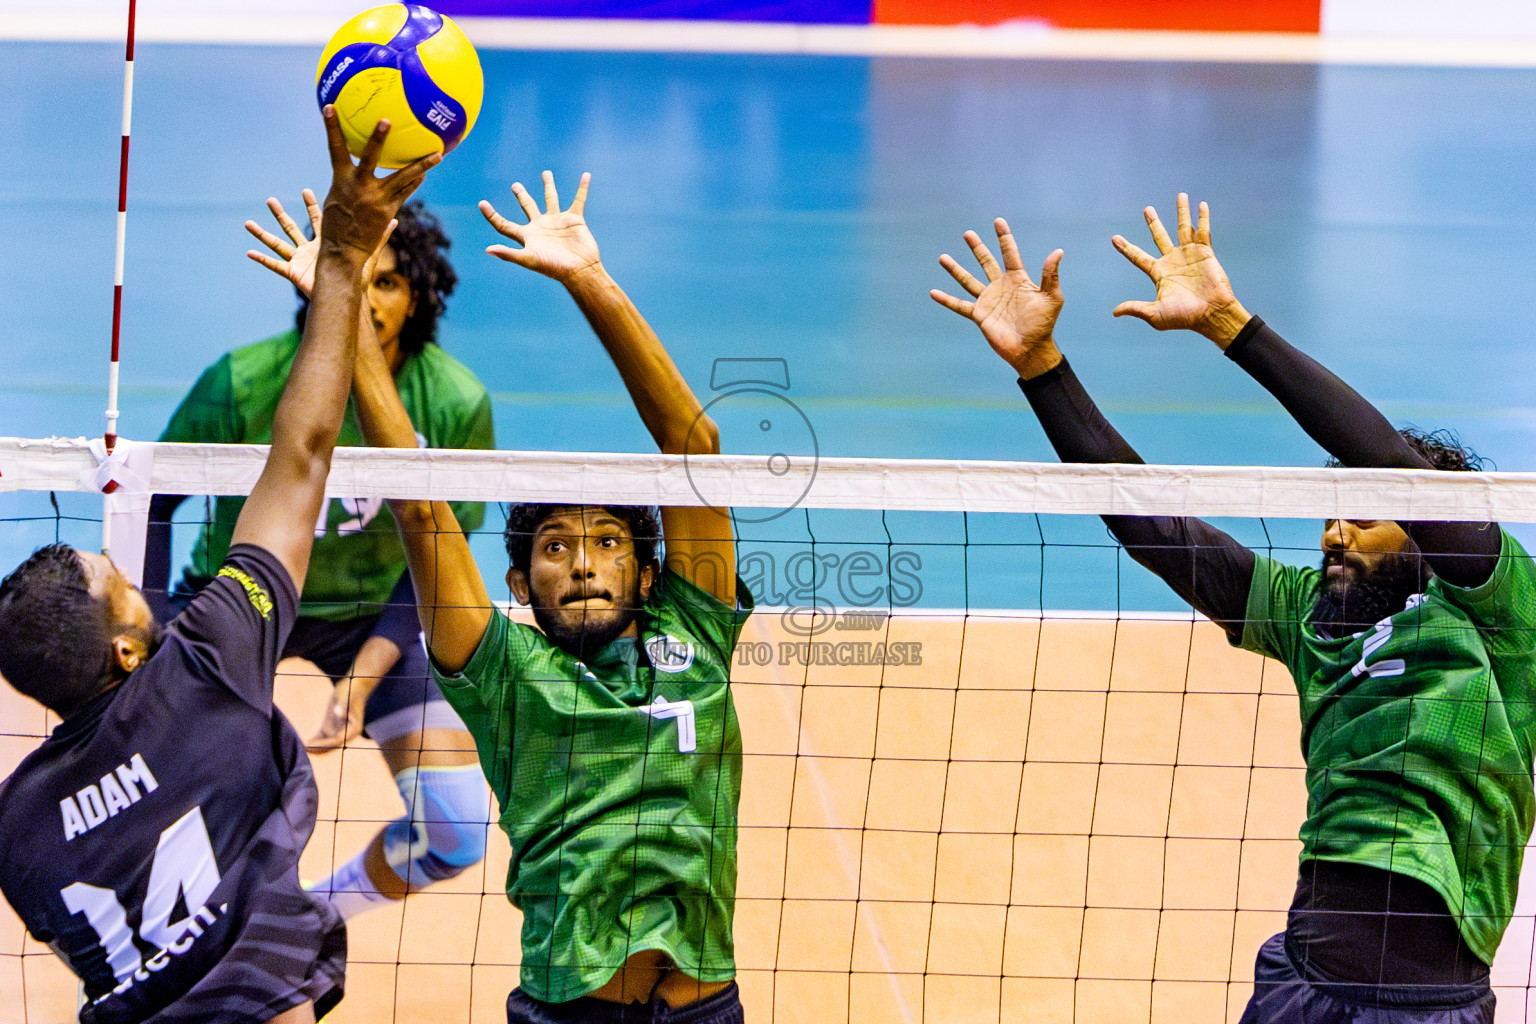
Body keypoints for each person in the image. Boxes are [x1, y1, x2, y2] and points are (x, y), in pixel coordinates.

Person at [932, 195, 1536, 1024]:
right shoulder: (1310, 617)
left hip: (1421, 1004)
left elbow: (1390, 461)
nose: (1332, 530)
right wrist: (1042, 367)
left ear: (1430, 531)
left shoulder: (1498, 613)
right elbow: (1157, 530)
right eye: (1328, 511)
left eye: (1361, 514)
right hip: (1297, 985)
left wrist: (1229, 325)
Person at [0, 110, 433, 1023]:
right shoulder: (206, 668)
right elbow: (304, 454)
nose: (129, 570)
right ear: (126, 650)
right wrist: (345, 261)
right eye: (119, 582)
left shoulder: (19, 829)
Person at [351, 171, 751, 1023]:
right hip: (570, 1012)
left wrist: (588, 281)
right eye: (554, 546)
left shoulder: (697, 628)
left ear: (648, 576)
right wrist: (342, 308)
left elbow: (693, 446)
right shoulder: (501, 671)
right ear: (517, 584)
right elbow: (419, 504)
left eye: (607, 542)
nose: (579, 563)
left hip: (705, 1010)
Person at [146, 191, 493, 919]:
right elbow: (155, 501)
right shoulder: (240, 381)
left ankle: (310, 918)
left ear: (418, 299)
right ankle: (192, 937)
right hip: (238, 599)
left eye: (388, 281)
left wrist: (364, 680)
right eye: (354, 274)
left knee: (457, 829)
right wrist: (153, 629)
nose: (366, 297)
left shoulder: (456, 403)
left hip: (372, 612)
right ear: (314, 279)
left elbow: (436, 560)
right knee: (166, 792)